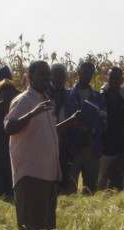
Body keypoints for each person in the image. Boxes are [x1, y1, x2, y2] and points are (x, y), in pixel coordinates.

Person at [4, 60, 80, 230]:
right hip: (30, 175)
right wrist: (31, 113)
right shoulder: (24, 100)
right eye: (42, 75)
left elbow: (50, 131)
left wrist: (72, 121)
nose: (47, 78)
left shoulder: (46, 101)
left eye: (48, 75)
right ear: (29, 77)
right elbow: (9, 127)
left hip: (48, 175)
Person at [64, 61, 107, 194]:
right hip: (73, 148)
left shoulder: (98, 97)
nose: (87, 75)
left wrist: (91, 133)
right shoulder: (67, 95)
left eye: (90, 73)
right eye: (85, 72)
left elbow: (104, 121)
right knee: (70, 188)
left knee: (90, 189)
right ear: (78, 72)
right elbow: (64, 121)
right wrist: (80, 134)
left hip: (92, 148)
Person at [98, 67, 124, 189]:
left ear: (122, 80)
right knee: (101, 182)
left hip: (121, 148)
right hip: (104, 148)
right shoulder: (101, 98)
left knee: (119, 184)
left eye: (118, 78)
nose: (115, 81)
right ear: (108, 79)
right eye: (112, 78)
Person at [50, 63, 78, 191]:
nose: (58, 79)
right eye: (55, 76)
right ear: (51, 77)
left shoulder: (70, 97)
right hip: (46, 143)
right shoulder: (43, 96)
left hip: (64, 143)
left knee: (63, 178)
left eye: (61, 76)